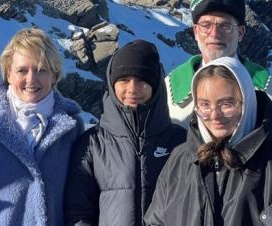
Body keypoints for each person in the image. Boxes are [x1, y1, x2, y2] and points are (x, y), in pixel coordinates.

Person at [165, 0, 272, 179]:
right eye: (206, 25)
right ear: (195, 31)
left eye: (225, 26)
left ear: (241, 32)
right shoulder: (172, 85)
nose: (214, 33)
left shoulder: (261, 84)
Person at [0, 28, 84, 226]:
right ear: (8, 73)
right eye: (22, 70)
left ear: (54, 75)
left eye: (41, 69)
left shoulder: (72, 125)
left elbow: (80, 199)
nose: (31, 79)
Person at [144, 56, 272, 226]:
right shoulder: (180, 159)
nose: (215, 115)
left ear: (246, 102)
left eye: (226, 104)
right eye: (205, 105)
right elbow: (156, 221)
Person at [65, 39, 186, 225]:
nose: (132, 89)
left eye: (141, 80)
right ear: (112, 85)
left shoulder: (180, 141)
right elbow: (78, 211)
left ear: (155, 85)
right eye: (124, 80)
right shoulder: (92, 144)